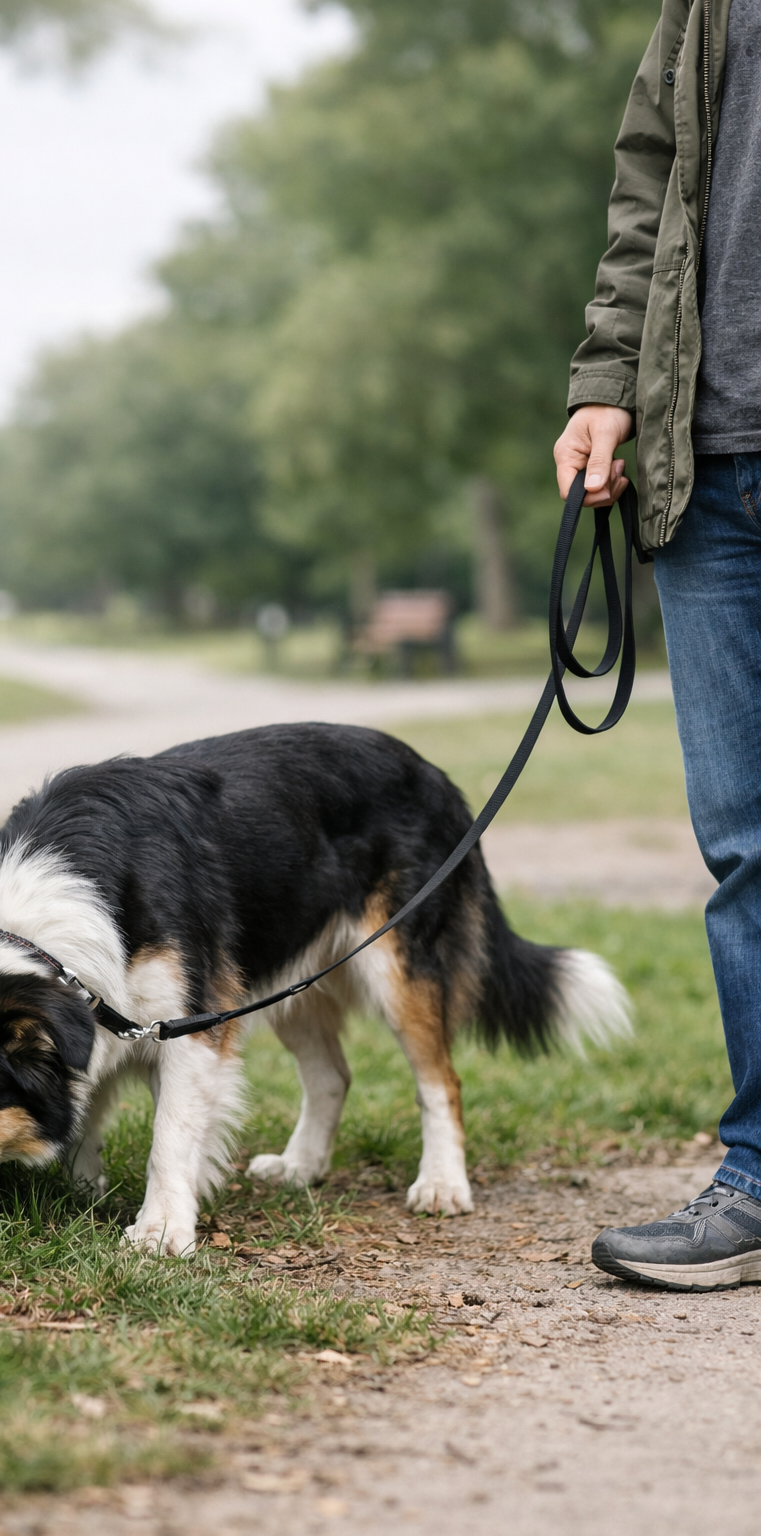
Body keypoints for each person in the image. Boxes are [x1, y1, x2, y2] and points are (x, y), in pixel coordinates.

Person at [554, 0, 761, 1290]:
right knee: (747, 847)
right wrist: (604, 383)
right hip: (713, 456)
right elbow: (654, 177)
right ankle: (759, 1175)